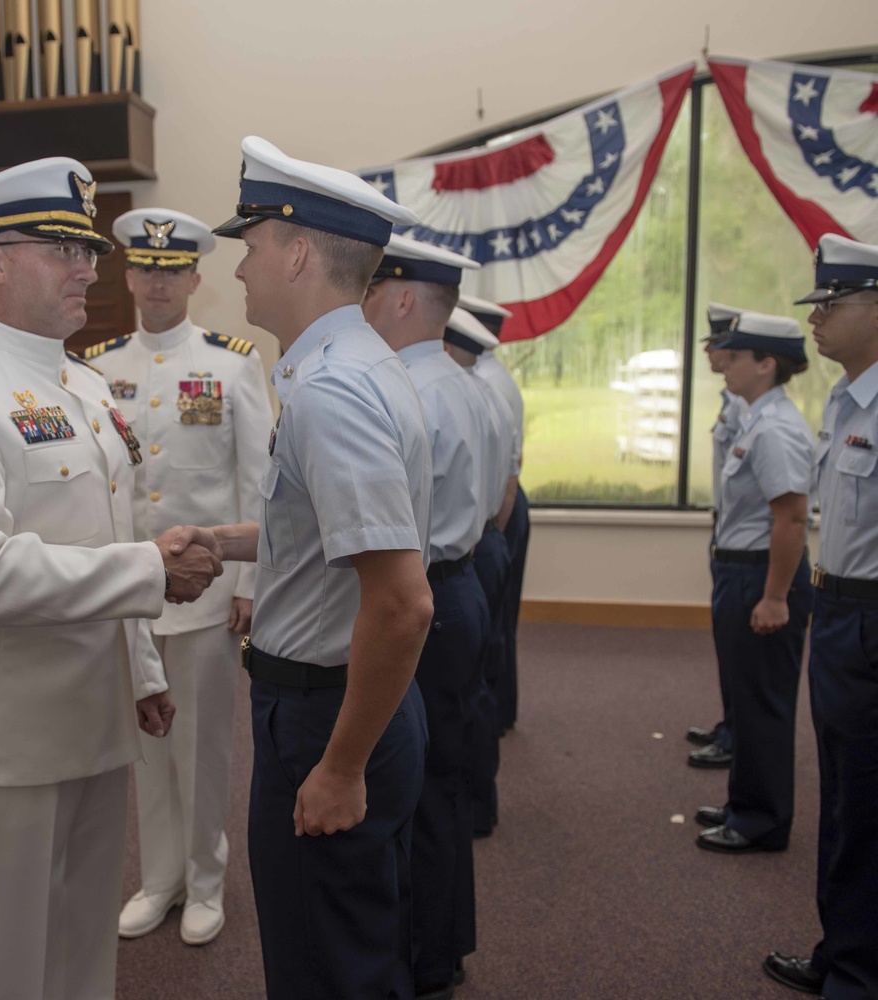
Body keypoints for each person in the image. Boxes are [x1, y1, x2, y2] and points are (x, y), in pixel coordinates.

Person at [0, 157, 220, 1000]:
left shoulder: (83, 382)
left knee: (81, 941)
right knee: (8, 954)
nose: (89, 269)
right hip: (7, 729)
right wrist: (152, 571)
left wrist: (141, 670)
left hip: (96, 707)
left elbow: (110, 527)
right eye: (63, 250)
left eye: (89, 252)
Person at [168, 136, 434, 1000]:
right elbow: (330, 535)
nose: (239, 272)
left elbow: (401, 605)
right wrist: (229, 537)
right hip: (339, 701)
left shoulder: (330, 393)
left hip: (329, 714)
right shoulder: (354, 368)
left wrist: (342, 767)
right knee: (345, 941)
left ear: (297, 250)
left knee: (328, 965)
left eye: (248, 249)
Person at [90, 208, 273, 945]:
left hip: (205, 591)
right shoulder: (97, 367)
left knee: (199, 745)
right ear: (127, 275)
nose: (158, 284)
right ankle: (159, 877)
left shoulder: (232, 363)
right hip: (132, 590)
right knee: (147, 743)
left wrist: (251, 582)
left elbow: (258, 478)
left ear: (196, 277)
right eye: (145, 269)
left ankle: (204, 879)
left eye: (173, 272)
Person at [363, 234, 490, 999]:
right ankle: (444, 944)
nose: (367, 303)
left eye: (376, 290)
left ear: (405, 298)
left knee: (415, 786)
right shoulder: (457, 379)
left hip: (428, 597)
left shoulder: (407, 387)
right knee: (444, 780)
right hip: (457, 587)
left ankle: (424, 956)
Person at [764, 234, 878, 1000]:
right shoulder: (845, 397)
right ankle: (843, 952)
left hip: (871, 619)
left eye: (832, 305)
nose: (817, 319)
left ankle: (860, 973)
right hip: (839, 611)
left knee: (869, 802)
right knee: (843, 793)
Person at [690, 311, 813, 854]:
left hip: (761, 574)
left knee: (762, 704)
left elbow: (790, 518)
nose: (724, 363)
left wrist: (774, 597)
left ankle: (760, 820)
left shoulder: (776, 429)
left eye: (736, 356)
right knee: (746, 696)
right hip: (742, 568)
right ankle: (746, 802)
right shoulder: (756, 420)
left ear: (766, 365)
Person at [444, 307, 517, 839]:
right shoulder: (482, 391)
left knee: (462, 695)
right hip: (481, 544)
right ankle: (476, 802)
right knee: (476, 683)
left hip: (463, 557)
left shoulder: (456, 395)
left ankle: (470, 804)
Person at [462, 293, 530, 736]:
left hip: (500, 514)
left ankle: (497, 713)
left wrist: (494, 538)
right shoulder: (489, 376)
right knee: (498, 620)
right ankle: (500, 711)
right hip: (502, 511)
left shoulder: (484, 382)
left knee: (493, 625)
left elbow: (505, 472)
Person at [687, 303, 743, 771]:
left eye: (716, 342)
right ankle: (732, 726)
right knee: (731, 648)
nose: (709, 350)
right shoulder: (733, 400)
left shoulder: (748, 405)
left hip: (744, 545)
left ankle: (738, 734)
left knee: (744, 654)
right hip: (726, 536)